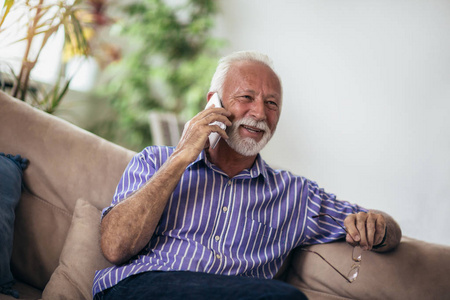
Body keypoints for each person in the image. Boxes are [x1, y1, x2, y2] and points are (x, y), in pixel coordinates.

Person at [92, 51, 402, 299]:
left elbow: (383, 229)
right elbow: (116, 247)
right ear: (214, 102)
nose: (259, 113)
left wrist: (380, 226)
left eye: (271, 104)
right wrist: (181, 158)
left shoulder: (296, 195)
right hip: (139, 289)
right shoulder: (155, 161)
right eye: (246, 98)